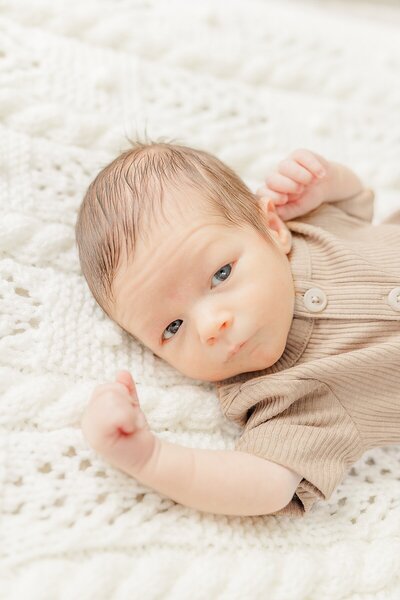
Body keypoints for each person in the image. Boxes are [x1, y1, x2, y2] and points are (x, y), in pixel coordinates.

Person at [75, 141, 400, 517]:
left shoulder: (308, 226)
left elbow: (356, 201)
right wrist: (148, 457)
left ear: (272, 226)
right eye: (173, 327)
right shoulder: (283, 396)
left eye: (221, 274)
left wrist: (326, 180)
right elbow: (265, 485)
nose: (211, 325)